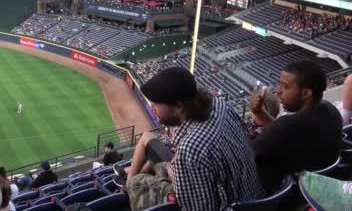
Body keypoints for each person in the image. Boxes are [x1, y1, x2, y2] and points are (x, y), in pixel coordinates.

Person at [119, 67, 264, 211]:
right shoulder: (220, 105)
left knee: (137, 182)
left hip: (231, 203)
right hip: (252, 196)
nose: (152, 108)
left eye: (156, 103)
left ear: (179, 106)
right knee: (150, 143)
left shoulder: (190, 150)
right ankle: (132, 174)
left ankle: (130, 181)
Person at [251, 60, 343, 191]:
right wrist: (259, 112)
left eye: (285, 86)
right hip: (316, 188)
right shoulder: (331, 110)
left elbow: (247, 155)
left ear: (306, 93)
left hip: (281, 196)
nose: (278, 91)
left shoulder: (288, 126)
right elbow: (280, 131)